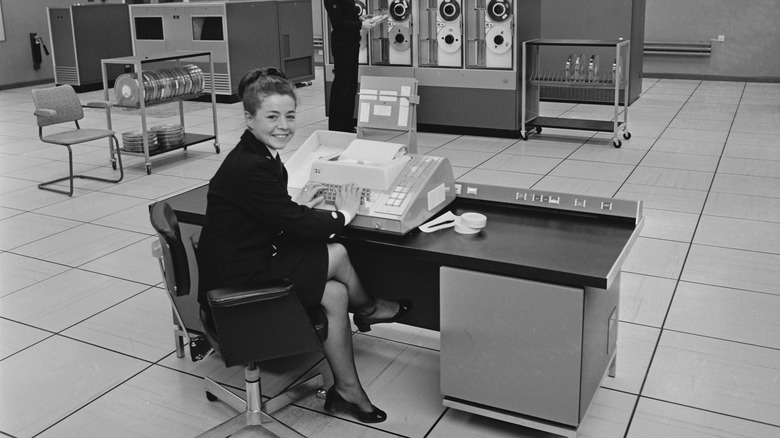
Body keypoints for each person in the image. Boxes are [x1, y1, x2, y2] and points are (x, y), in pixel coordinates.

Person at [195, 67, 412, 423]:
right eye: (272, 117)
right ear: (249, 118)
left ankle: (346, 391)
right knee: (338, 251)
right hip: (237, 286)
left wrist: (299, 206)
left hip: (246, 263)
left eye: (290, 116)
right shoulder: (251, 166)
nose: (284, 125)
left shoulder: (258, 155)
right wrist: (345, 212)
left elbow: (269, 212)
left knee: (335, 295)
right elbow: (296, 226)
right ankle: (370, 309)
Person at [323, 0, 383, 132]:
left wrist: (360, 19)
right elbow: (337, 23)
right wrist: (361, 24)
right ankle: (337, 126)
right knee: (342, 86)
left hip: (351, 43)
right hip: (343, 45)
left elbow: (345, 16)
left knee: (350, 86)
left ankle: (347, 124)